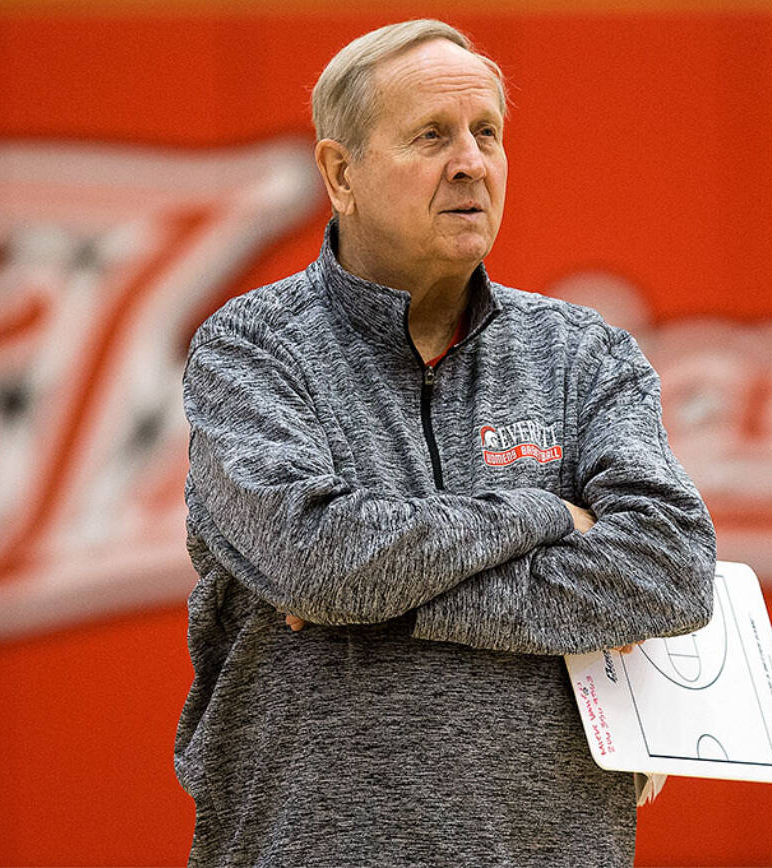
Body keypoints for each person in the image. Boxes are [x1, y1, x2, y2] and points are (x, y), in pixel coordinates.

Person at [175, 19, 716, 868]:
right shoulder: (251, 349)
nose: (471, 162)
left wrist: (373, 603)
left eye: (487, 134)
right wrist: (546, 513)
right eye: (432, 136)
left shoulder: (583, 354)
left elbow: (671, 571)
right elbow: (321, 563)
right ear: (340, 173)